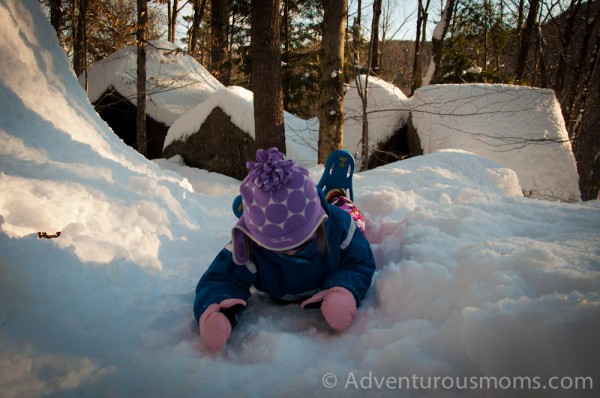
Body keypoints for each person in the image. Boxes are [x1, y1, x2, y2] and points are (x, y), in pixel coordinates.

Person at [193, 148, 376, 351]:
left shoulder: (339, 228)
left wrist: (344, 289)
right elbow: (220, 277)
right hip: (270, 222)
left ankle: (337, 194)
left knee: (352, 217)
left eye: (302, 242)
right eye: (279, 248)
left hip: (334, 214)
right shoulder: (250, 245)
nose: (291, 252)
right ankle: (255, 209)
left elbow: (360, 261)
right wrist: (218, 309)